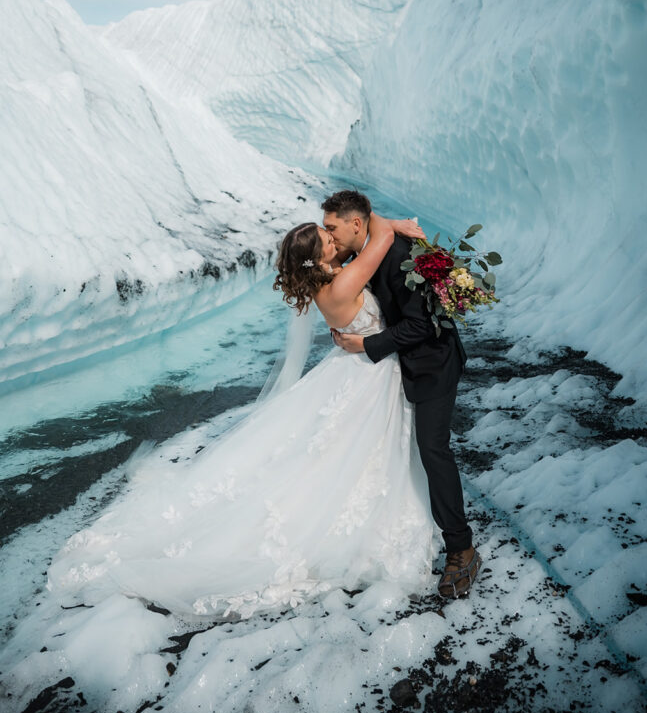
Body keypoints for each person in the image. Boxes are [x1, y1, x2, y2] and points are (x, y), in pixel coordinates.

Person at [46, 208, 448, 621]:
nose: (334, 238)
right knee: (350, 453)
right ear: (320, 258)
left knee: (335, 453)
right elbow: (377, 239)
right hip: (367, 373)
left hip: (359, 371)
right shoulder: (344, 282)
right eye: (327, 238)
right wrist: (393, 224)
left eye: (330, 232)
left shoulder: (326, 283)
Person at [323, 190, 480, 599]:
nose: (330, 236)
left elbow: (425, 326)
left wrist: (366, 346)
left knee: (433, 449)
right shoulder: (373, 250)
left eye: (332, 228)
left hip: (433, 365)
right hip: (402, 369)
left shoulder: (400, 255)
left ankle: (461, 549)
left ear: (355, 224)